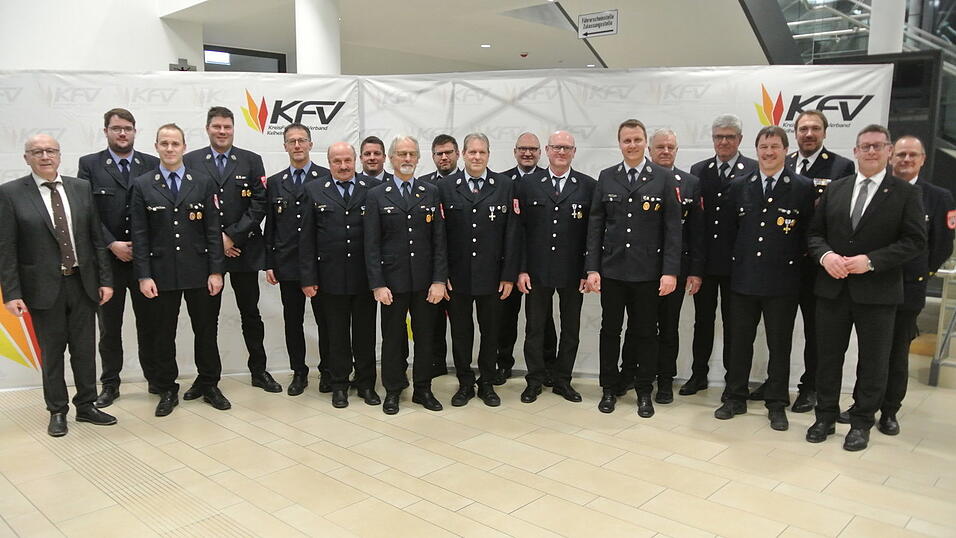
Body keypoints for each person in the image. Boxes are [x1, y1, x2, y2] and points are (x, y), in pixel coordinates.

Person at [806, 124, 925, 451]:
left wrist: (871, 261)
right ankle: (825, 416)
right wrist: (826, 256)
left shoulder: (905, 193)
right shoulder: (836, 189)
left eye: (877, 146)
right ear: (855, 152)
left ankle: (861, 423)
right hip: (833, 289)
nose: (871, 152)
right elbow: (814, 234)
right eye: (865, 147)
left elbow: (915, 241)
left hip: (878, 292)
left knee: (873, 362)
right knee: (827, 357)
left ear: (888, 152)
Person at [836, 135, 954, 435]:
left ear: (923, 159)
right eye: (901, 154)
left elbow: (941, 245)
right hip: (873, 284)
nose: (906, 160)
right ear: (891, 157)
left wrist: (922, 273)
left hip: (907, 287)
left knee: (896, 353)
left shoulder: (938, 197)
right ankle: (862, 404)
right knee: (871, 353)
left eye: (912, 155)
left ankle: (889, 410)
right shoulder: (877, 190)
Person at [0, 134, 116, 436]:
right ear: (26, 158)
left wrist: (105, 280)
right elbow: (7, 247)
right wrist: (11, 292)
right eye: (37, 152)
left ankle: (87, 405)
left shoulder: (80, 188)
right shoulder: (11, 193)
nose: (45, 156)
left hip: (82, 283)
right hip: (42, 289)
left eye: (50, 150)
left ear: (59, 155)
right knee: (52, 353)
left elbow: (95, 239)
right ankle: (57, 410)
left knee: (84, 350)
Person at [750, 109, 856, 411]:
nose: (808, 134)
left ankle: (810, 387)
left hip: (815, 267)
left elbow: (839, 219)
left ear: (824, 132)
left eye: (815, 129)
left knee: (814, 330)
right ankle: (775, 382)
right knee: (777, 331)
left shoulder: (841, 167)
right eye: (803, 129)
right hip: (780, 265)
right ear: (794, 134)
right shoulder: (786, 161)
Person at [715, 126, 814, 431]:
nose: (769, 152)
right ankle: (735, 397)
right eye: (763, 147)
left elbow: (808, 235)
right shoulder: (738, 185)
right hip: (743, 279)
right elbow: (730, 234)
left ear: (786, 150)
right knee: (739, 342)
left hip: (782, 283)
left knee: (779, 345)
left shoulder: (802, 187)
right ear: (756, 150)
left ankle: (776, 403)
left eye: (775, 147)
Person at [130, 124, 228, 417]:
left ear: (184, 147)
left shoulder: (203, 182)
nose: (170, 149)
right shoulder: (143, 184)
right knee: (162, 334)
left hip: (200, 271)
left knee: (206, 331)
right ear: (156, 147)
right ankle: (166, 388)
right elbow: (140, 234)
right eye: (164, 143)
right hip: (160, 273)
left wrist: (216, 271)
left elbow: (213, 230)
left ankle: (209, 383)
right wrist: (144, 275)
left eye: (175, 143)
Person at [586, 119, 681, 417]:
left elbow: (672, 228)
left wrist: (670, 271)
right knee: (610, 331)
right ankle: (609, 389)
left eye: (637, 140)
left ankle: (643, 391)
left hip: (648, 273)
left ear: (645, 143)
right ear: (619, 144)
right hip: (612, 271)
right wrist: (592, 268)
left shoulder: (663, 178)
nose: (632, 145)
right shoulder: (607, 176)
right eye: (627, 140)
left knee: (645, 334)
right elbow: (596, 225)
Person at [183, 107, 279, 393]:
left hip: (244, 252)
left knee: (251, 313)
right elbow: (187, 207)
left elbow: (259, 204)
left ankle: (259, 371)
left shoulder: (251, 161)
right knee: (205, 319)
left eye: (227, 126)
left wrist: (232, 238)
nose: (222, 131)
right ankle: (207, 378)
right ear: (207, 128)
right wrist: (217, 243)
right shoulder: (190, 161)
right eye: (216, 126)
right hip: (206, 256)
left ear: (233, 128)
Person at [77, 108, 159, 407]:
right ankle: (110, 384)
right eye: (116, 128)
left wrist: (140, 245)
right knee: (109, 329)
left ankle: (156, 379)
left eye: (127, 128)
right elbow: (87, 213)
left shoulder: (150, 163)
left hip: (145, 262)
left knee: (149, 324)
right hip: (107, 262)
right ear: (106, 131)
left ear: (135, 131)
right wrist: (112, 243)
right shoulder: (90, 165)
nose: (122, 133)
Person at [365, 135, 449, 414]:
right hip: (392, 282)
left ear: (418, 158)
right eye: (401, 154)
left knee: (425, 337)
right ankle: (393, 389)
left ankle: (423, 389)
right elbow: (371, 244)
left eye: (412, 154)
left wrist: (439, 280)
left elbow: (439, 241)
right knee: (392, 338)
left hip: (425, 283)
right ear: (391, 158)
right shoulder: (377, 194)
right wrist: (377, 283)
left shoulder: (430, 191)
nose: (407, 159)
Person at [620, 128, 704, 404]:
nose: (665, 151)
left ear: (677, 150)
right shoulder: (635, 181)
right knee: (636, 325)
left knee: (668, 326)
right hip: (639, 267)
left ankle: (665, 379)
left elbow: (694, 231)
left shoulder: (690, 183)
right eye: (660, 147)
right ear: (649, 149)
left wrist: (694, 270)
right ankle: (629, 373)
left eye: (671, 147)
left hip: (674, 268)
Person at [515, 130, 595, 403]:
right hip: (537, 271)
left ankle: (563, 380)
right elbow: (520, 231)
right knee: (535, 329)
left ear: (574, 152)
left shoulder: (587, 185)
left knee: (570, 330)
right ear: (547, 151)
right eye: (556, 147)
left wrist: (588, 270)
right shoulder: (528, 184)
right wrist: (521, 269)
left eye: (567, 148)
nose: (561, 152)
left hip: (573, 272)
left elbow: (592, 233)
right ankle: (535, 379)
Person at [439, 132, 518, 407]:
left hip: (492, 276)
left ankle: (486, 382)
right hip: (457, 277)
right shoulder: (447, 186)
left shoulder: (504, 185)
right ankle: (464, 383)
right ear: (462, 154)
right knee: (461, 332)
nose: (476, 157)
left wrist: (509, 274)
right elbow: (440, 235)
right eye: (471, 152)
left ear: (488, 154)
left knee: (490, 332)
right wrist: (442, 274)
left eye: (481, 153)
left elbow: (512, 233)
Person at [300, 142, 380, 408]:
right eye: (337, 161)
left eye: (348, 160)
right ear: (329, 162)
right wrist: (308, 278)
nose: (344, 166)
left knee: (365, 333)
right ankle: (339, 385)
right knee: (335, 334)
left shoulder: (372, 189)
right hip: (329, 278)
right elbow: (307, 239)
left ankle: (366, 383)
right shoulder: (313, 190)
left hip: (364, 278)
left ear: (355, 160)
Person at [683, 114, 758, 397]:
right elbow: (696, 223)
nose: (723, 142)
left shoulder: (752, 169)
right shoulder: (699, 170)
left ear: (739, 140)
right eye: (718, 137)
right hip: (705, 263)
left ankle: (732, 381)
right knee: (702, 322)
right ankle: (698, 375)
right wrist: (695, 266)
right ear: (712, 139)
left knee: (734, 326)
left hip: (737, 265)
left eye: (729, 137)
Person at [264, 124, 331, 396]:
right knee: (293, 321)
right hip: (288, 264)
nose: (297, 145)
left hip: (322, 264)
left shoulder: (326, 176)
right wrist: (269, 261)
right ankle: (299, 372)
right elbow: (271, 226)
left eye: (302, 140)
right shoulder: (276, 182)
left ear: (311, 144)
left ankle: (328, 371)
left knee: (326, 320)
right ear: (285, 147)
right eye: (291, 141)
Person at [499, 132, 557, 386]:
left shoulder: (550, 180)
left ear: (540, 152)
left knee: (543, 320)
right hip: (509, 263)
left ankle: (547, 367)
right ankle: (503, 364)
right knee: (506, 317)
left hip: (539, 266)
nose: (527, 153)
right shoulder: (502, 181)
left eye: (533, 149)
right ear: (515, 151)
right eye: (523, 148)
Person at [418, 134, 460, 378]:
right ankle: (436, 363)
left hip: (458, 267)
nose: (444, 157)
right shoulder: (423, 184)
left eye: (448, 152)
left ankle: (463, 364)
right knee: (431, 321)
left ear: (457, 154)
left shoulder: (470, 183)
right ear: (432, 157)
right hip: (430, 267)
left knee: (460, 323)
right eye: (439, 154)